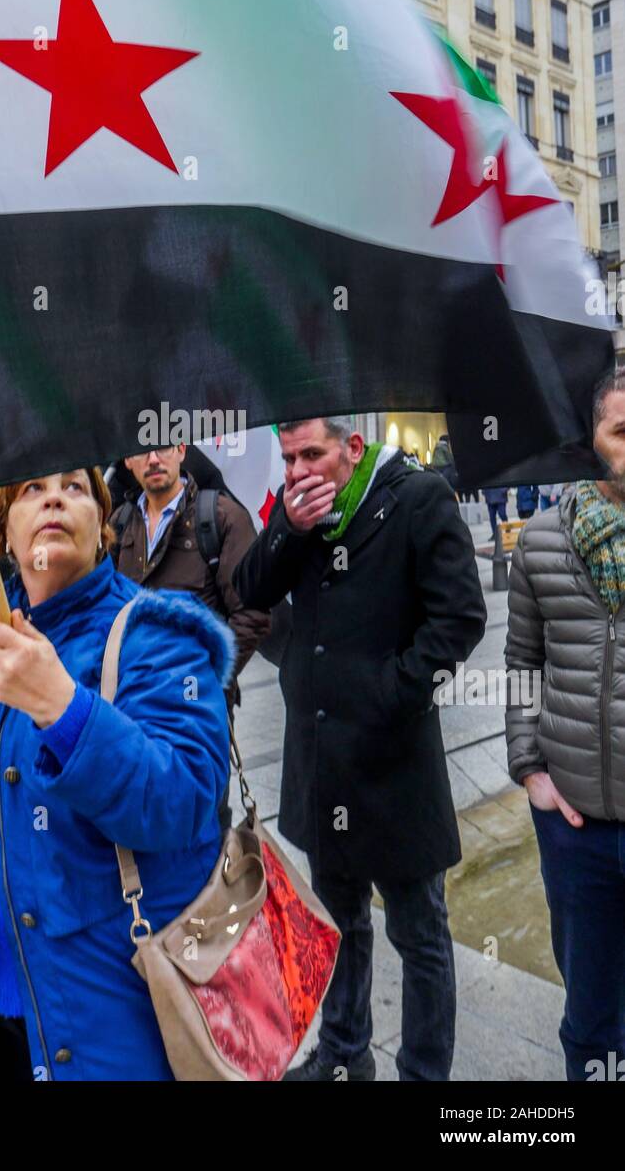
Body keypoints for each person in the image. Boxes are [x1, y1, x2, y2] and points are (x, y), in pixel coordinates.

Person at [0, 467, 232, 1082]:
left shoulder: (158, 631)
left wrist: (63, 707)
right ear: (4, 533)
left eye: (75, 487)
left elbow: (185, 800)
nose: (52, 496)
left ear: (102, 527)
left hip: (116, 1031)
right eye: (30, 490)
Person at [234, 417, 486, 1082]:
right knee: (338, 921)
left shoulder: (417, 497)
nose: (298, 470)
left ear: (353, 448)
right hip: (321, 764)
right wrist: (288, 524)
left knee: (420, 934)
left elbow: (460, 616)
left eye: (311, 454)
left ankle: (424, 1074)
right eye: (288, 458)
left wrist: (394, 691)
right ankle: (345, 1056)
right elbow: (250, 588)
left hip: (395, 767)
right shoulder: (300, 512)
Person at [505, 370, 625, 1082]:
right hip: (576, 830)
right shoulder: (545, 542)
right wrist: (530, 769)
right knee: (590, 1017)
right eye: (622, 430)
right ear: (592, 444)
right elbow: (522, 661)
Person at [109, 443, 270, 827]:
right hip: (132, 712)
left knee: (204, 825)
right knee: (145, 824)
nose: (153, 459)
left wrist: (203, 683)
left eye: (162, 446)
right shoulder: (118, 525)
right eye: (140, 451)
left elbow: (253, 615)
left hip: (198, 715)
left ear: (181, 450)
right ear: (127, 462)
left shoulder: (221, 519)